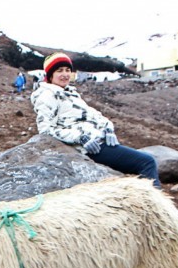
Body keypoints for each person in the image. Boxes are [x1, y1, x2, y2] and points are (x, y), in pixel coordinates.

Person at [31, 53, 161, 188]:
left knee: (136, 165)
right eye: (59, 71)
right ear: (50, 75)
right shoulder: (47, 95)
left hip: (97, 140)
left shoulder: (69, 93)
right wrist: (80, 138)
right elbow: (45, 130)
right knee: (147, 162)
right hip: (90, 147)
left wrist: (108, 128)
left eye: (68, 70)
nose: (65, 74)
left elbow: (94, 115)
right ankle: (158, 206)